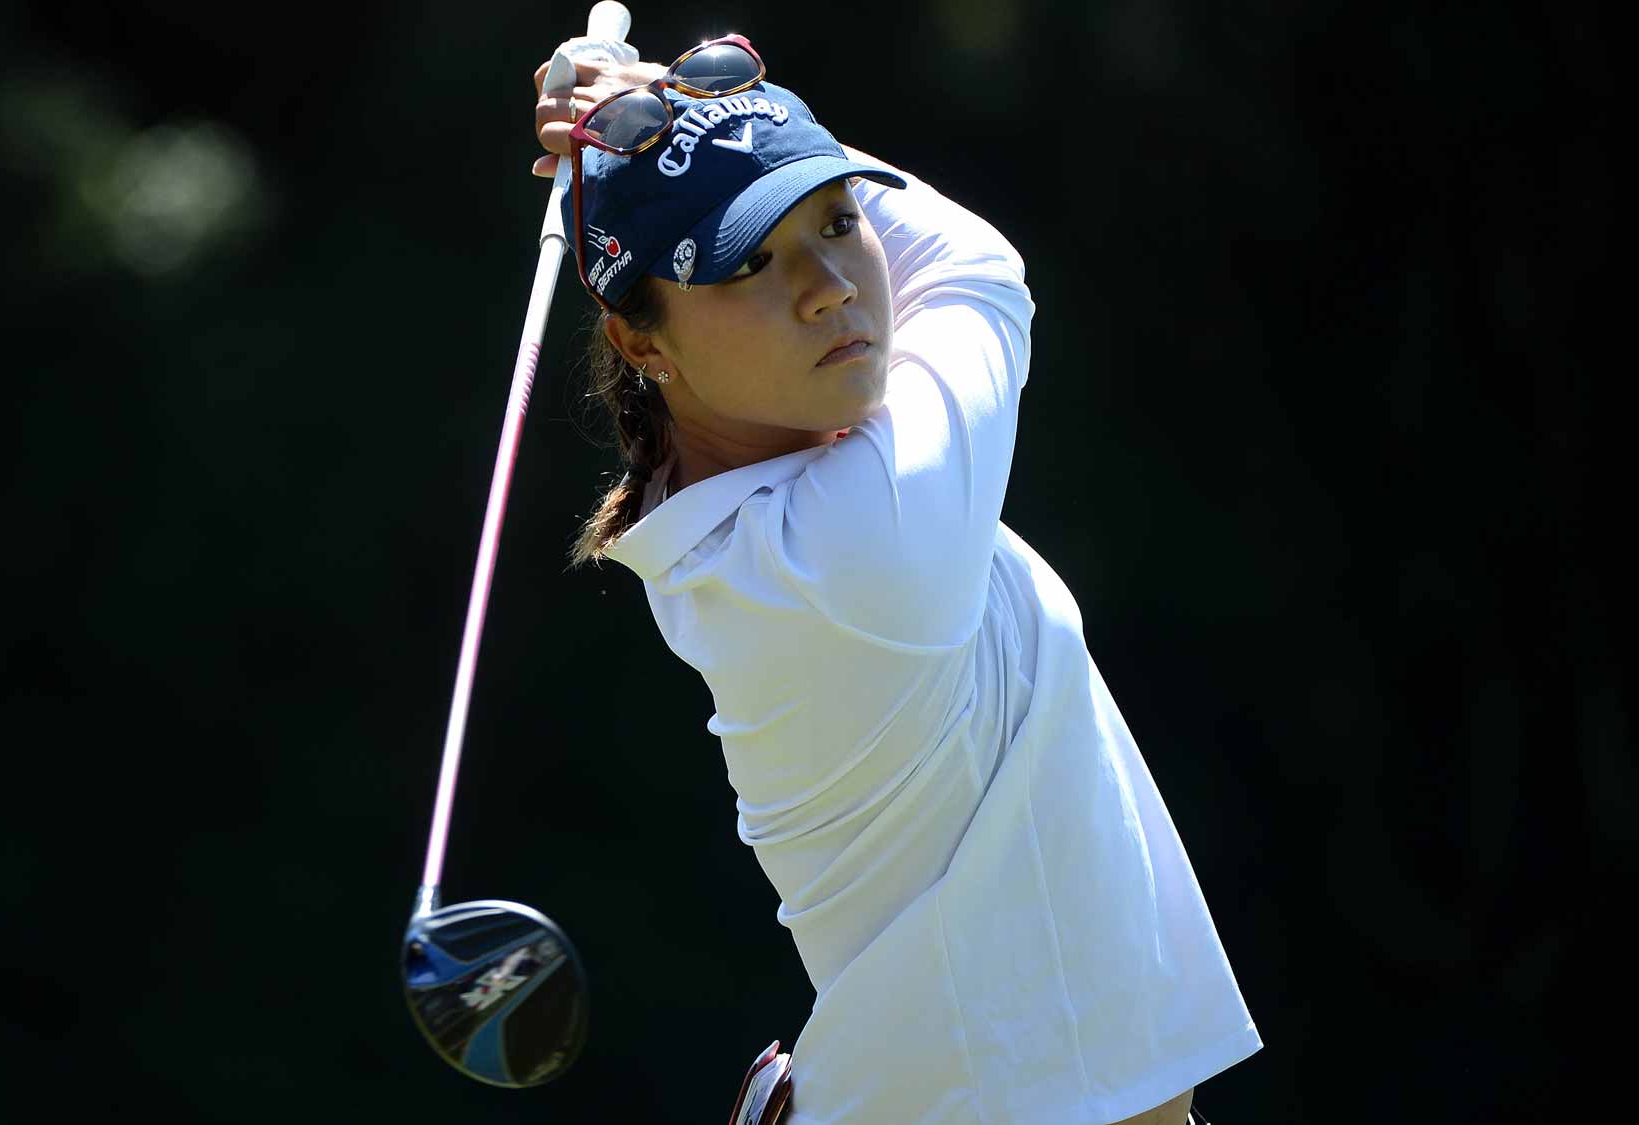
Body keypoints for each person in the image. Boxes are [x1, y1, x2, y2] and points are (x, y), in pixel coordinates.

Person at [529, 34, 1260, 1125]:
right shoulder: (856, 543)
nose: (829, 290)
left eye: (833, 224)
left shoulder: (739, 525)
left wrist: (701, 130)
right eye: (743, 264)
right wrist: (679, 116)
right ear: (643, 346)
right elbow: (974, 269)